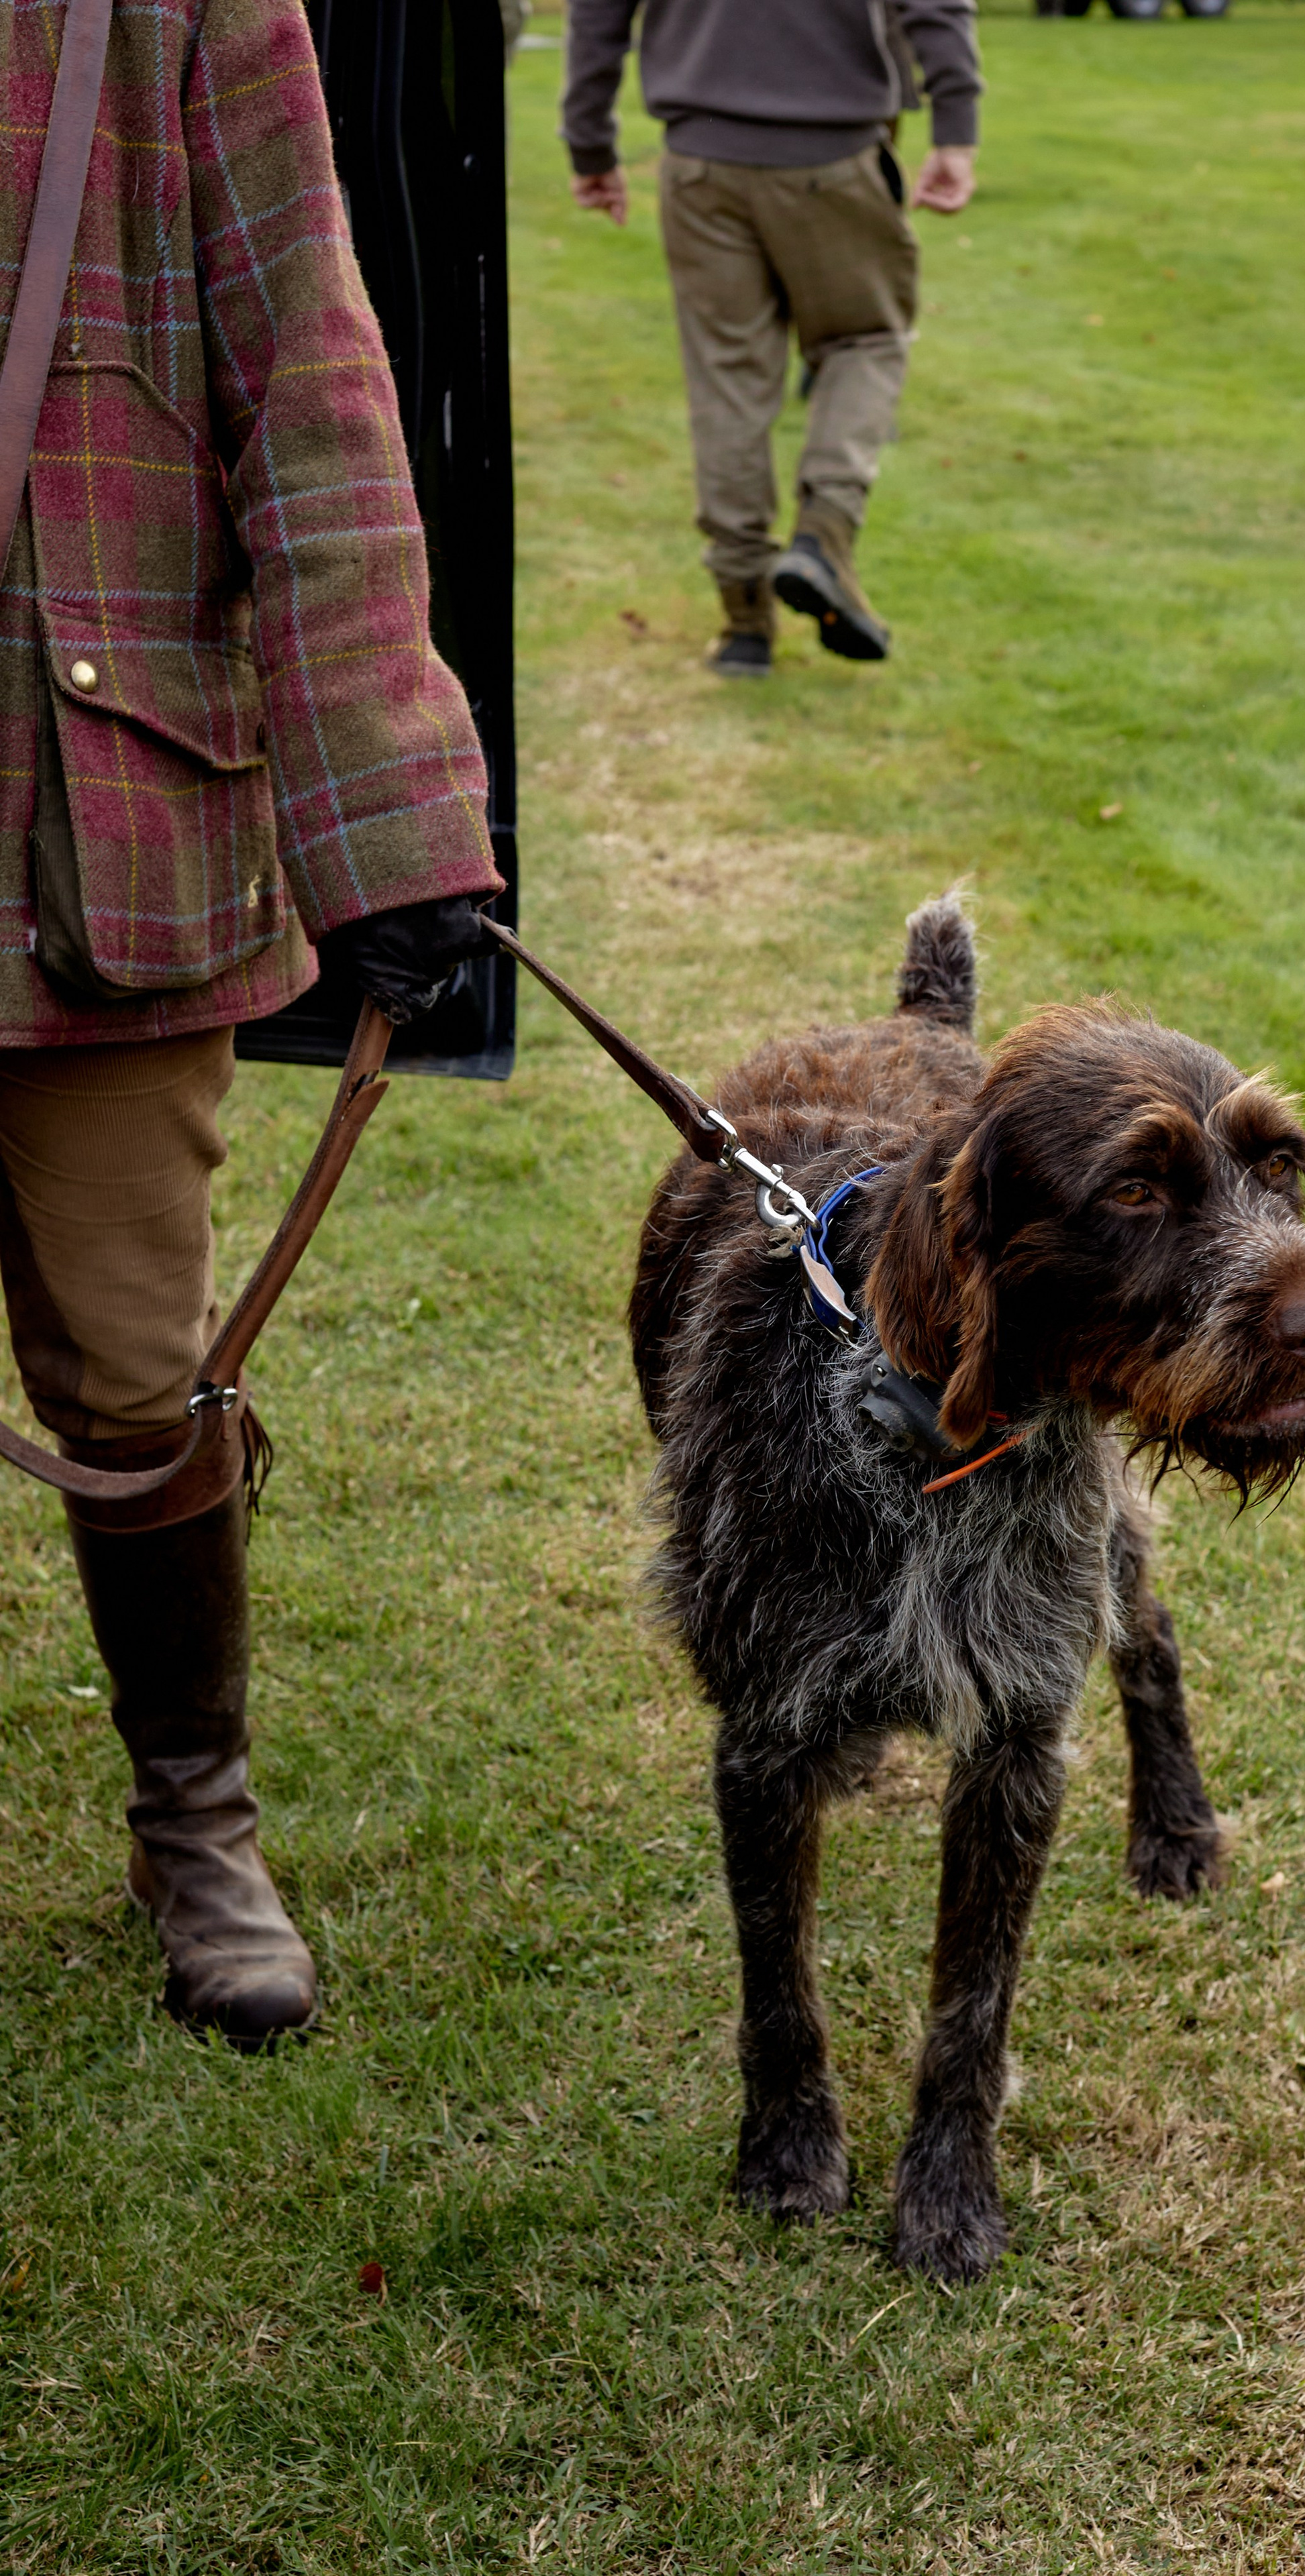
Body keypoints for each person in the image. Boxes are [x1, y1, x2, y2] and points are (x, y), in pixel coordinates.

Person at [0, 0, 503, 2043]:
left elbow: (313, 391)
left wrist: (392, 819)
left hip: (95, 826)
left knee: (136, 1378)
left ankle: (192, 1815)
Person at [563, 0, 983, 676]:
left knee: (728, 379)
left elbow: (598, 11)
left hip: (700, 162)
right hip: (835, 153)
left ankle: (745, 624)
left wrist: (589, 141)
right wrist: (955, 129)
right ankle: (825, 533)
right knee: (864, 342)